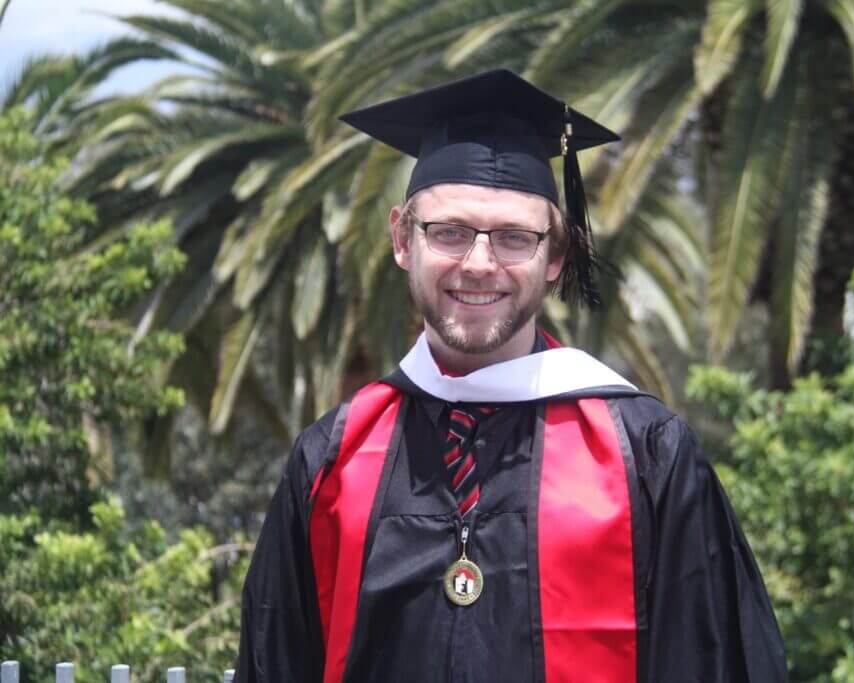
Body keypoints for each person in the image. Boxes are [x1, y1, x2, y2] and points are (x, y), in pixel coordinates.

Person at [235, 69, 786, 682]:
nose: (478, 263)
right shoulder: (332, 461)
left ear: (556, 257)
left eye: (514, 238)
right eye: (448, 231)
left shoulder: (649, 456)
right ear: (401, 238)